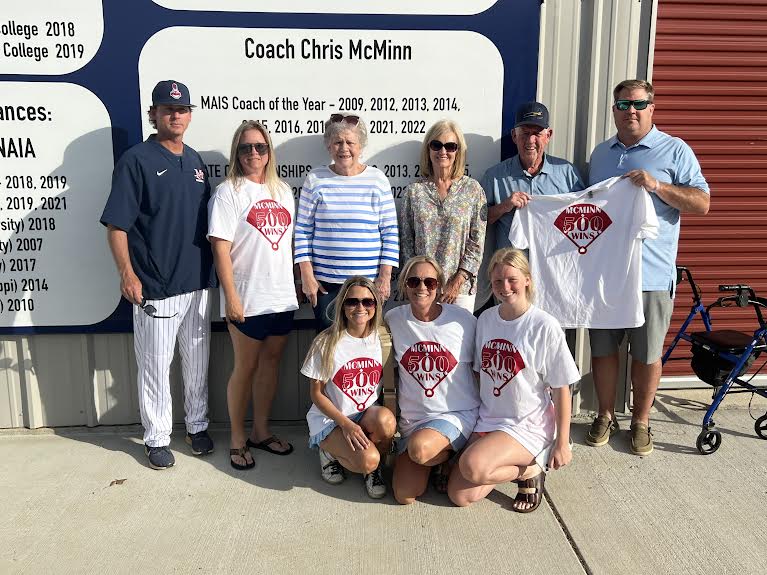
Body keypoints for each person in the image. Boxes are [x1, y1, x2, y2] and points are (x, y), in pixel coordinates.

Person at [586, 79, 710, 456]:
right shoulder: (601, 154)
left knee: (646, 353)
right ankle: (605, 415)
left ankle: (641, 421)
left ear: (652, 108)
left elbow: (702, 202)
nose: (631, 111)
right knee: (603, 351)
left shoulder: (674, 150)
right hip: (606, 276)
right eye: (623, 105)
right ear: (614, 111)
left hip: (651, 277)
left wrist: (657, 186)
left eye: (639, 104)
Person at [100, 80, 215, 470]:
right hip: (155, 284)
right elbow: (116, 226)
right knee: (155, 365)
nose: (175, 115)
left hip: (197, 281)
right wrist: (127, 274)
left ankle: (197, 426)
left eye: (182, 110)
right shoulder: (136, 160)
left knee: (197, 363)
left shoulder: (195, 161)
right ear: (154, 114)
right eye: (168, 109)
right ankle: (157, 437)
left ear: (189, 115)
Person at [448, 248, 579, 512]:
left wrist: (562, 442)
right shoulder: (486, 320)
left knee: (473, 466)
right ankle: (517, 465)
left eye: (512, 280)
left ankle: (531, 469)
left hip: (526, 424)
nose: (505, 287)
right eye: (498, 281)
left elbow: (561, 387)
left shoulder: (544, 326)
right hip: (490, 419)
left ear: (527, 280)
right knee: (459, 496)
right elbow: (480, 373)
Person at [207, 121, 298, 470]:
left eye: (260, 147)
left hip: (281, 297)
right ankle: (237, 438)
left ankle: (261, 431)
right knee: (244, 368)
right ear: (237, 153)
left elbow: (287, 245)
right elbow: (220, 248)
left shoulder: (282, 191)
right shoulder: (227, 192)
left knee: (271, 366)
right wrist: (230, 297)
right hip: (247, 297)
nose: (253, 153)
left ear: (269, 152)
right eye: (246, 148)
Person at [386, 256, 480, 504]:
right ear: (404, 285)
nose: (422, 287)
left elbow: (482, 370)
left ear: (439, 285)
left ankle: (452, 456)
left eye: (430, 282)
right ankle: (443, 459)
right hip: (413, 421)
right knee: (404, 495)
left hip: (455, 414)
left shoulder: (462, 320)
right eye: (413, 281)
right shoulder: (393, 319)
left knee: (420, 449)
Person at [295, 115, 399, 329]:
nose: (344, 148)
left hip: (368, 284)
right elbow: (303, 231)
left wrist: (385, 277)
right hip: (326, 285)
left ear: (360, 146)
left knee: (364, 341)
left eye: (350, 142)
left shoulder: (377, 179)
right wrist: (306, 276)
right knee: (329, 342)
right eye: (337, 142)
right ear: (329, 146)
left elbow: (389, 231)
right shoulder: (315, 179)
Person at [302, 276, 397, 499]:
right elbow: (316, 393)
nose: (360, 307)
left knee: (386, 422)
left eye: (367, 301)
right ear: (342, 306)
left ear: (376, 305)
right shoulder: (327, 342)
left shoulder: (382, 339)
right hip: (332, 419)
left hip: (365, 415)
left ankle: (372, 470)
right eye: (352, 301)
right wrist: (346, 425)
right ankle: (329, 452)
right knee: (368, 460)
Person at [400, 120, 486, 312]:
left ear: (458, 151)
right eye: (436, 145)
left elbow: (477, 243)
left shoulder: (473, 190)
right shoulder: (413, 192)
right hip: (422, 290)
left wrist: (456, 282)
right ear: (428, 149)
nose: (443, 151)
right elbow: (406, 244)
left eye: (450, 146)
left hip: (459, 290)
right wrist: (419, 283)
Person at [480, 101, 584, 252]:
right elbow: (476, 220)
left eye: (537, 133)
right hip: (512, 265)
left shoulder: (567, 173)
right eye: (525, 133)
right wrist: (505, 206)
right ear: (514, 136)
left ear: (548, 136)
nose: (530, 140)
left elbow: (585, 217)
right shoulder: (495, 177)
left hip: (553, 264)